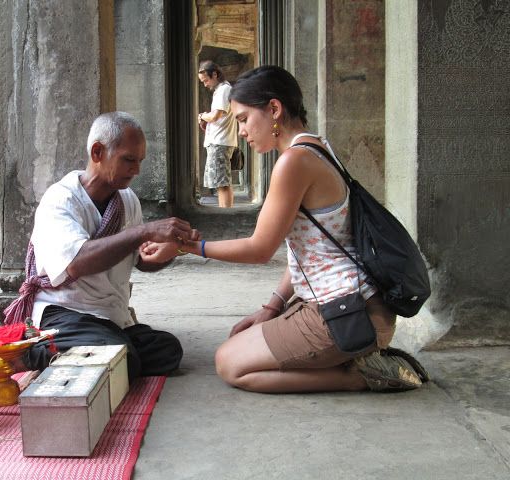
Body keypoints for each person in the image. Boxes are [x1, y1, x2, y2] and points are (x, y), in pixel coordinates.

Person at [144, 66, 424, 393]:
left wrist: (186, 247)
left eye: (245, 119)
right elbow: (310, 248)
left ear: (274, 109)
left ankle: (368, 375)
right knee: (239, 344)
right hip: (358, 307)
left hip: (345, 314)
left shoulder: (293, 162)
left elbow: (260, 249)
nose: (243, 131)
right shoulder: (318, 147)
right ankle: (358, 359)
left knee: (230, 364)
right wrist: (272, 307)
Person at [5, 111, 198, 381]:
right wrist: (145, 231)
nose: (136, 170)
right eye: (129, 160)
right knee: (121, 357)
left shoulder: (128, 200)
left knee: (167, 350)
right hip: (65, 312)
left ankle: (105, 351)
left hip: (108, 316)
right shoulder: (61, 200)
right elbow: (77, 262)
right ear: (98, 152)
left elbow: (140, 260)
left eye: (140, 161)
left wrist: (170, 251)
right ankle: (35, 352)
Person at [197, 60, 238, 208]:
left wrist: (202, 116)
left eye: (206, 80)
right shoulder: (223, 89)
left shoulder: (223, 90)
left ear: (215, 74)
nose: (205, 84)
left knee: (222, 183)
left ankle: (226, 214)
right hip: (220, 140)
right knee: (221, 182)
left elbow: (215, 116)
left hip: (220, 142)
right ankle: (226, 213)